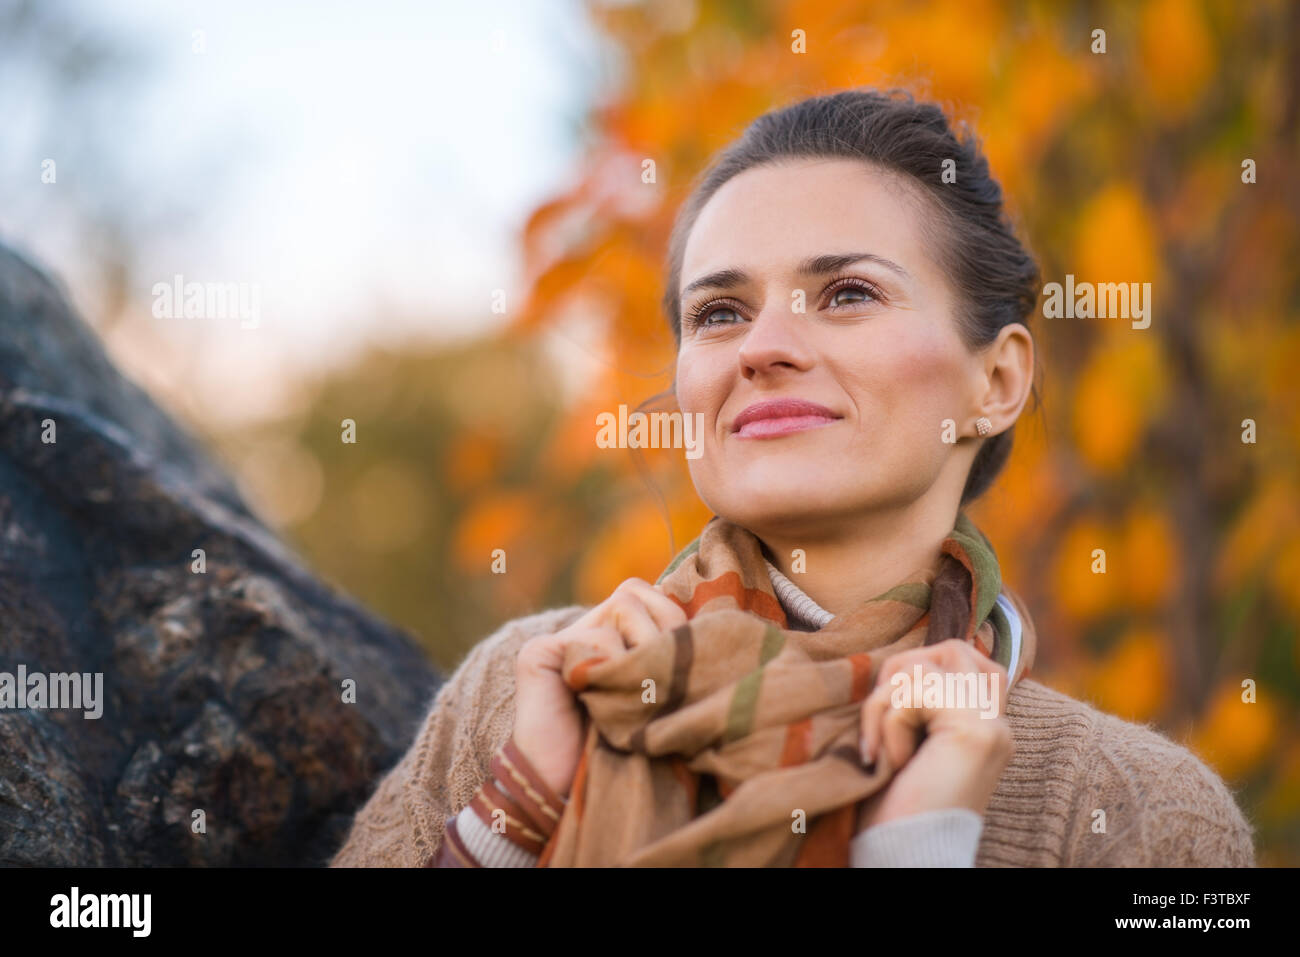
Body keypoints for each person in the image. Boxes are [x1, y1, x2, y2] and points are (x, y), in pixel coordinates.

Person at [330, 88, 1255, 868]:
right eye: (720, 312)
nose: (764, 347)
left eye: (848, 293)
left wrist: (919, 846)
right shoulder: (525, 690)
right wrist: (507, 823)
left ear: (997, 381)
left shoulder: (1136, 811)